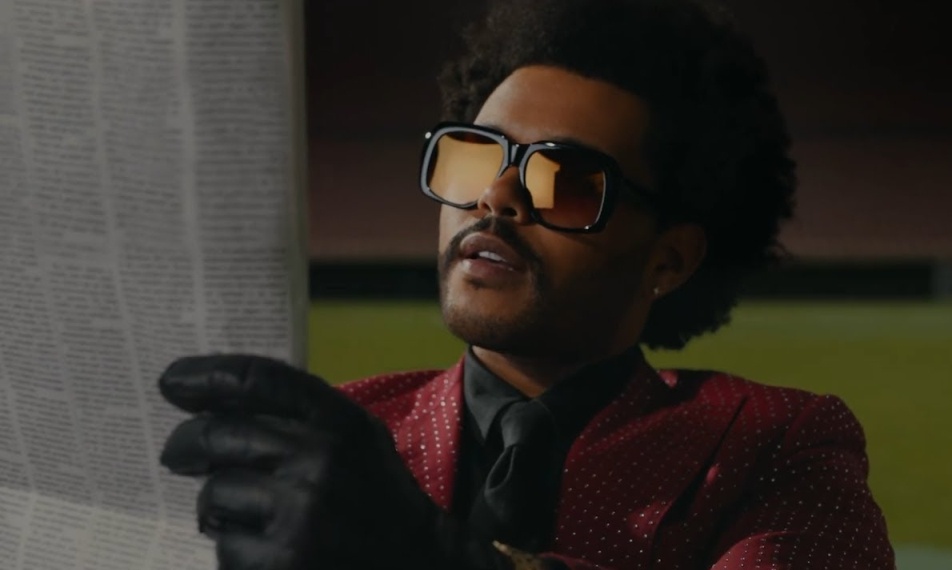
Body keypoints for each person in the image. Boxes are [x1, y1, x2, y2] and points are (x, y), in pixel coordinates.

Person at [158, 0, 896, 568]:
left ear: (670, 259)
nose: (495, 197)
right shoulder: (338, 438)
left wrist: (432, 556)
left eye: (565, 181)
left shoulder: (774, 445)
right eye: (475, 155)